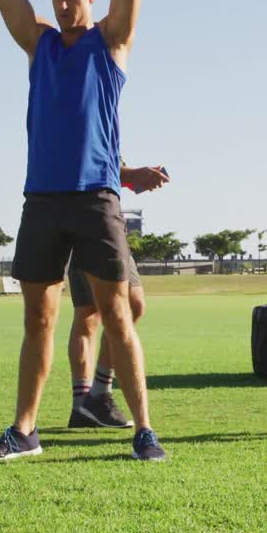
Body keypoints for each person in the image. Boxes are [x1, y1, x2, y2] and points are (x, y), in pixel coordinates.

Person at [0, 0, 169, 461]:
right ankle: (24, 431)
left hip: (95, 200)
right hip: (42, 199)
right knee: (38, 320)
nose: (63, 5)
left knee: (117, 314)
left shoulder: (110, 41)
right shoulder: (39, 43)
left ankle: (144, 431)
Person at [67, 163, 168, 429]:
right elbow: (94, 166)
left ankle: (86, 403)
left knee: (96, 311)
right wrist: (134, 174)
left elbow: (108, 170)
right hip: (91, 221)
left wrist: (135, 177)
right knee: (104, 310)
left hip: (95, 218)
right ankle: (94, 398)